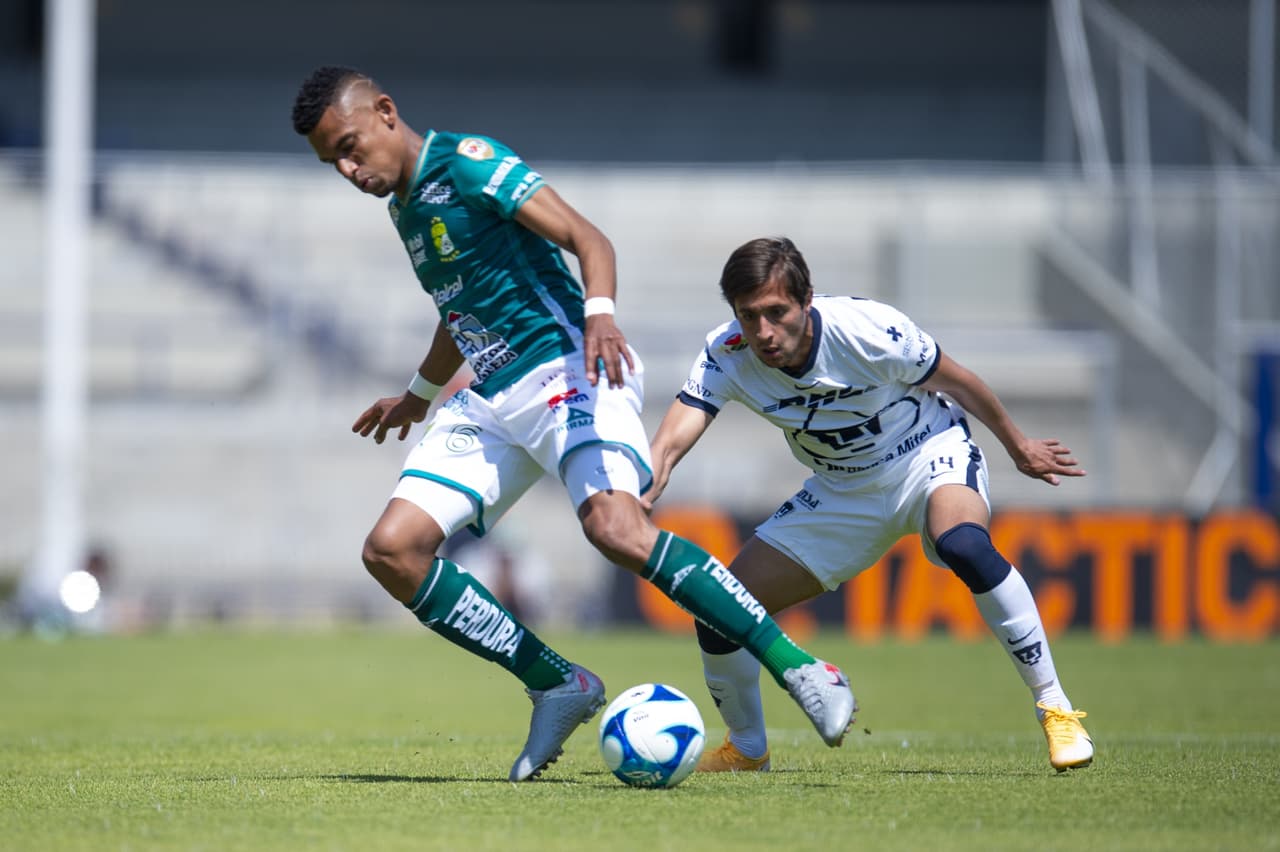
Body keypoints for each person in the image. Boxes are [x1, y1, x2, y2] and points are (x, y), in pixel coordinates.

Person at [289, 68, 855, 781]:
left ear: (386, 112)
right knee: (391, 552)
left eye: (348, 147)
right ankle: (558, 683)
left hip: (569, 366)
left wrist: (601, 318)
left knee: (615, 528)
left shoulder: (469, 163)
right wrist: (419, 394)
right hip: (493, 396)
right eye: (330, 163)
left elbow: (589, 239)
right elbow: (458, 307)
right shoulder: (405, 207)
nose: (347, 170)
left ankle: (802, 668)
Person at [645, 236, 1094, 774]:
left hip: (927, 454)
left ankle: (1056, 708)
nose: (763, 332)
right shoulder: (728, 352)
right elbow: (672, 438)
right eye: (748, 316)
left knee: (965, 545)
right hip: (841, 491)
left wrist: (1017, 445)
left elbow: (962, 382)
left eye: (776, 313)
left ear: (806, 299)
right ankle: (747, 747)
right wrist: (643, 489)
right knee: (719, 609)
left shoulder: (866, 329)